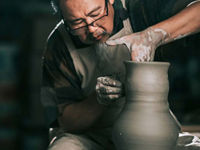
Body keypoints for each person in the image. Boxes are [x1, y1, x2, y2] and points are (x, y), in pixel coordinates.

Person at [41, 0, 200, 149]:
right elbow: (67, 121)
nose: (91, 28)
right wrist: (98, 99)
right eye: (77, 23)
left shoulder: (137, 8)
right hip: (93, 138)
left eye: (96, 14)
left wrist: (153, 35)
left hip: (152, 128)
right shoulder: (59, 44)